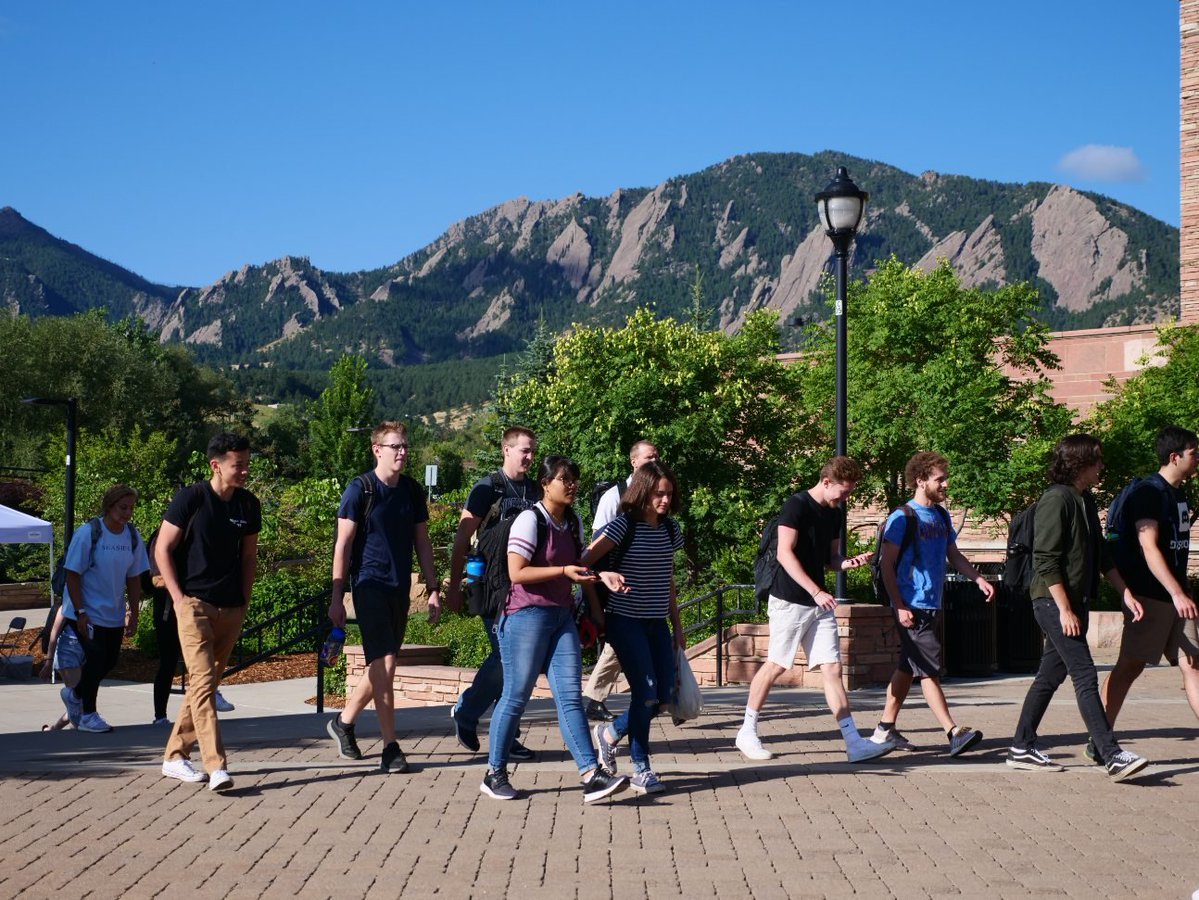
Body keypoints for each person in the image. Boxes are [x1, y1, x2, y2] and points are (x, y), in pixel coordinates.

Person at [479, 456, 628, 803]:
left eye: (575, 478)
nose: (572, 485)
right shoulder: (530, 521)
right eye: (564, 479)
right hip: (524, 616)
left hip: (560, 617)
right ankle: (494, 772)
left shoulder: (572, 521)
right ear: (546, 484)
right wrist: (563, 572)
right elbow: (517, 572)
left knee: (570, 698)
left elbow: (578, 565)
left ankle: (591, 775)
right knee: (516, 695)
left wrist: (598, 585)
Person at [1007, 434, 1149, 782]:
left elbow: (1101, 555)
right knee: (1085, 674)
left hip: (1074, 602)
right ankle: (1111, 753)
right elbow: (1045, 559)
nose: (1102, 467)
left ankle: (1021, 746)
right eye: (1097, 460)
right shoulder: (1056, 499)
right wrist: (1065, 610)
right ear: (1080, 462)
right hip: (1053, 601)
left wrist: (1125, 592)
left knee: (1050, 676)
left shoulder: (1083, 501)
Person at [735, 457, 895, 764]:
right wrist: (816, 590)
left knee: (832, 668)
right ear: (826, 481)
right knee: (777, 665)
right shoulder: (795, 506)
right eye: (842, 492)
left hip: (818, 602)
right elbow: (784, 553)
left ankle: (853, 742)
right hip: (789, 599)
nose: (845, 498)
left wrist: (847, 563)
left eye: (849, 493)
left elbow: (831, 559)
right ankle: (747, 731)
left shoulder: (834, 514)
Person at [327, 421, 440, 773]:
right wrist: (336, 596)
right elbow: (343, 545)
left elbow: (422, 541)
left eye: (405, 445)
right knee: (387, 664)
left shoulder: (411, 491)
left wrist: (434, 588)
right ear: (377, 449)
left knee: (380, 665)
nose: (403, 451)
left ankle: (343, 723)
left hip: (398, 588)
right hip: (368, 585)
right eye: (395, 446)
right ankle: (391, 746)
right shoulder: (360, 489)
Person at [871, 452, 995, 755]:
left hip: (931, 604)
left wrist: (978, 579)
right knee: (928, 669)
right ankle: (953, 732)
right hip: (911, 605)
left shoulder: (940, 515)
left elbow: (953, 555)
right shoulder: (903, 517)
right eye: (939, 479)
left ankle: (885, 730)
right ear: (921, 480)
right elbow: (887, 565)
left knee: (908, 666)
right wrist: (898, 605)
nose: (946, 484)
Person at [157, 432, 261, 791]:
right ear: (216, 465)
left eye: (247, 463)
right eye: (239, 465)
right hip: (195, 606)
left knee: (206, 684)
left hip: (231, 607)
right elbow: (162, 550)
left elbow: (249, 557)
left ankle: (174, 756)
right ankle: (216, 766)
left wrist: (244, 600)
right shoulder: (191, 498)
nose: (245, 470)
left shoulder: (248, 505)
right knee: (202, 684)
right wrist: (178, 599)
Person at [1094, 425, 1199, 759]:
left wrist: (1182, 592)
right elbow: (1148, 546)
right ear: (1175, 456)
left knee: (1193, 663)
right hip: (1150, 595)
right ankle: (1100, 737)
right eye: (1194, 453)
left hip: (1177, 596)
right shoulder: (1148, 493)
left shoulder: (1179, 493)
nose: (1198, 458)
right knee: (1130, 667)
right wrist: (1176, 593)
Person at [584, 460, 684, 794]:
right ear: (642, 491)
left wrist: (678, 625)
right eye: (659, 493)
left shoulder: (671, 530)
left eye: (669, 493)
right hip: (625, 622)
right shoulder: (621, 526)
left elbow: (668, 580)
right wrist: (598, 607)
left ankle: (609, 734)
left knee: (661, 698)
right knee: (645, 693)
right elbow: (581, 564)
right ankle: (642, 768)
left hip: (657, 623)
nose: (665, 500)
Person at [444, 426, 540, 760]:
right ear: (506, 450)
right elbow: (461, 542)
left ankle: (505, 733)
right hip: (491, 588)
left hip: (525, 588)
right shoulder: (487, 488)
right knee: (507, 658)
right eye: (524, 450)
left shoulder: (537, 489)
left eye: (532, 451)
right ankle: (469, 712)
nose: (529, 456)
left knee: (522, 664)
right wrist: (454, 588)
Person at [57, 484, 149, 733]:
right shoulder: (89, 533)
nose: (127, 513)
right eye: (122, 507)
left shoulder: (131, 535)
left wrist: (134, 613)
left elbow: (134, 577)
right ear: (109, 506)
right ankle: (88, 715)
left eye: (131, 508)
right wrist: (80, 612)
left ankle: (75, 695)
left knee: (110, 661)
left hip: (114, 613)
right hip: (87, 611)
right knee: (96, 659)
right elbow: (72, 574)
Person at [583, 439, 659, 723]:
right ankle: (657, 695)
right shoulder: (614, 496)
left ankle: (595, 697)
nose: (654, 460)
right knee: (624, 638)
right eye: (649, 457)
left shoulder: (655, 495)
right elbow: (595, 544)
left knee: (624, 641)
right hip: (616, 582)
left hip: (643, 582)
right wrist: (600, 584)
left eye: (657, 456)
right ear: (634, 462)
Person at [40, 606, 84, 731]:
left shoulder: (91, 601)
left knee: (77, 702)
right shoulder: (67, 605)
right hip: (67, 655)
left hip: (84, 653)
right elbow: (53, 635)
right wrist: (48, 662)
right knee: (79, 700)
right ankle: (79, 729)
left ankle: (53, 729)